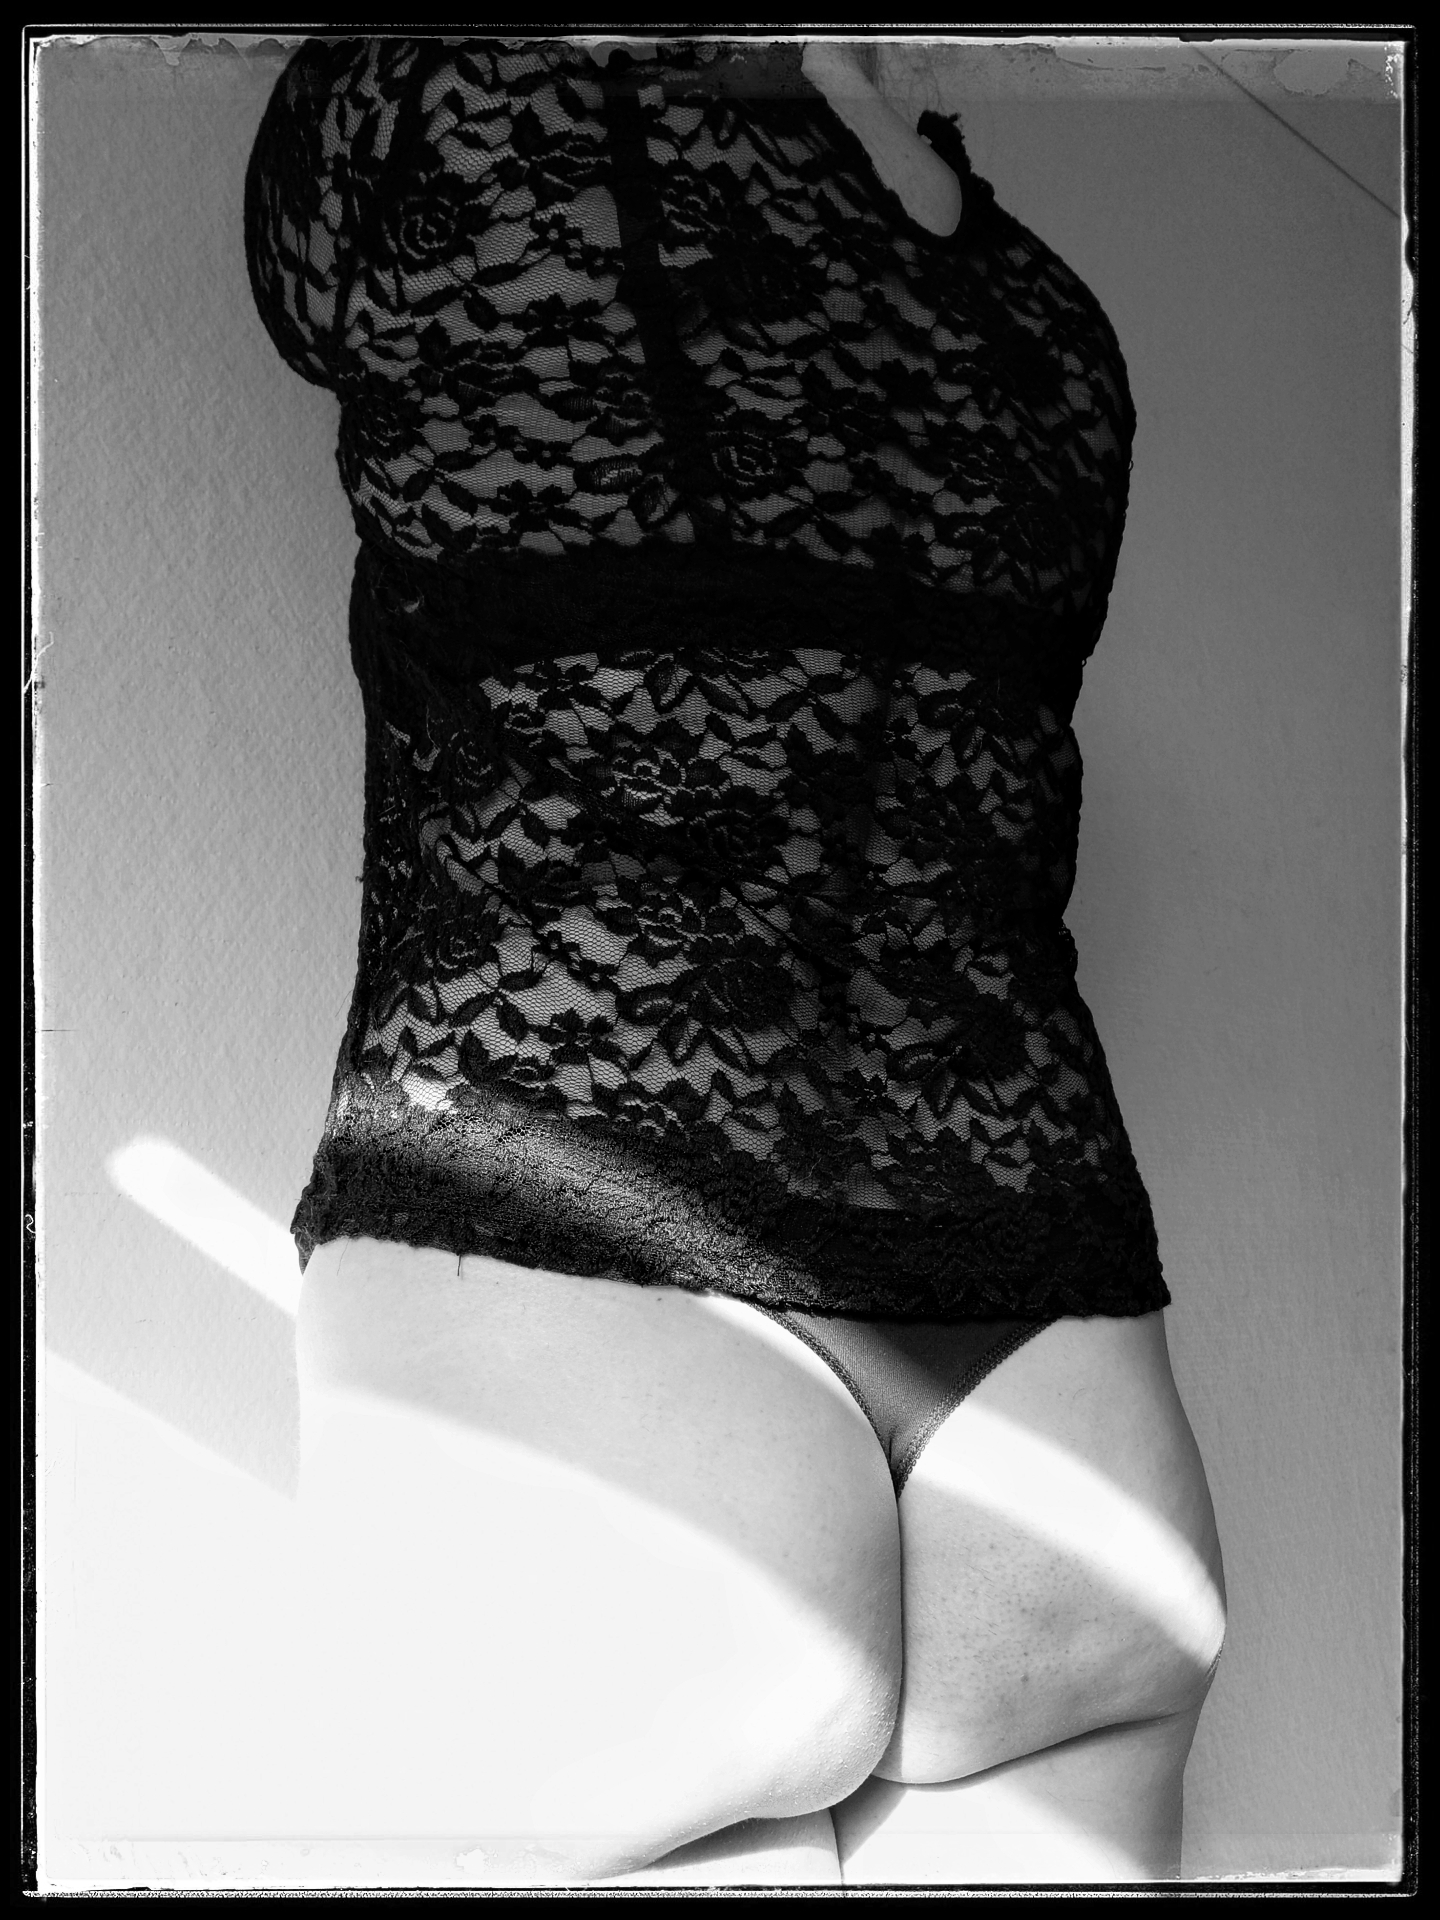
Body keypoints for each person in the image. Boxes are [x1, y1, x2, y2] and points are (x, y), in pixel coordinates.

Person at [245, 33, 1226, 1888]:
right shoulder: (1051, 329)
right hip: (1050, 1336)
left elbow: (316, 275)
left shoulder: (452, 98)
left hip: (577, 1237)